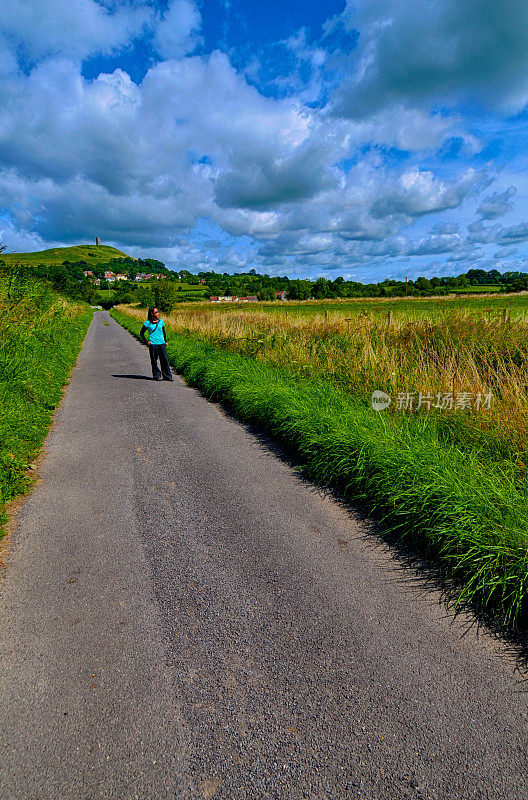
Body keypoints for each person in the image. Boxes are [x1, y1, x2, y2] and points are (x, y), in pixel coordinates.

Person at [140, 306, 173, 381]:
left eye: (158, 312)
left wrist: (165, 341)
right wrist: (146, 342)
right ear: (152, 313)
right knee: (154, 360)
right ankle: (157, 375)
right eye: (156, 312)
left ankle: (167, 376)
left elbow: (163, 332)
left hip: (161, 344)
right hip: (153, 344)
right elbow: (141, 333)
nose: (158, 313)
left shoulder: (161, 321)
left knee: (164, 360)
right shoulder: (147, 323)